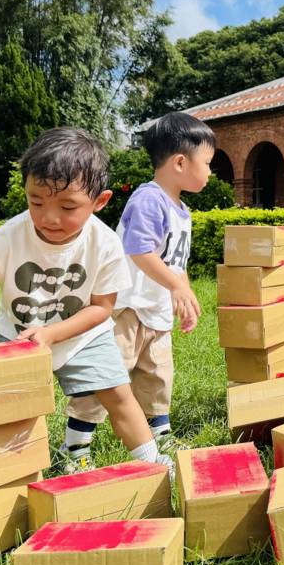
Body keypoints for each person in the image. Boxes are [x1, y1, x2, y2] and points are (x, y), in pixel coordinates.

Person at [0, 127, 172, 473]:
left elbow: (102, 307)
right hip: (18, 339)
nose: (49, 217)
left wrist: (53, 335)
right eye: (35, 201)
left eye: (68, 206)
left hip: (84, 337)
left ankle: (153, 464)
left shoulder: (106, 244)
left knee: (118, 396)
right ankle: (12, 475)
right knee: (11, 412)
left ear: (100, 201)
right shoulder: (9, 237)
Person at [61, 112, 213, 470]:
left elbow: (177, 263)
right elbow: (139, 250)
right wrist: (175, 284)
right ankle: (75, 448)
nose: (210, 172)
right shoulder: (149, 199)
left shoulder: (182, 211)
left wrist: (184, 294)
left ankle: (160, 435)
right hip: (125, 309)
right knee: (106, 377)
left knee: (157, 378)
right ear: (180, 162)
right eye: (207, 163)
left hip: (155, 311)